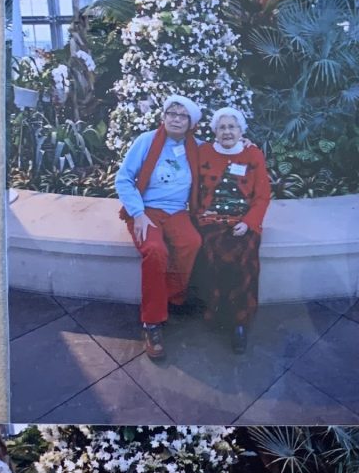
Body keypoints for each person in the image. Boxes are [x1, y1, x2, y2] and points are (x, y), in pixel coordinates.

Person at [115, 94, 204, 362]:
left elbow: (226, 153)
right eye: (171, 114)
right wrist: (138, 214)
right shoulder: (146, 141)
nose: (176, 119)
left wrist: (244, 144)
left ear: (191, 123)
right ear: (163, 117)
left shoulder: (198, 147)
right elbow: (123, 179)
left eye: (182, 115)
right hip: (147, 210)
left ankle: (172, 298)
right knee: (154, 250)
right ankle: (152, 322)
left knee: (191, 243)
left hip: (177, 211)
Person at [193, 107, 272, 354]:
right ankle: (215, 312)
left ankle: (240, 322)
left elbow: (262, 195)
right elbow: (193, 186)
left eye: (232, 127)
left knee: (244, 257)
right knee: (212, 252)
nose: (227, 131)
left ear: (241, 131)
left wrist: (248, 222)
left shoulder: (253, 154)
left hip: (242, 219)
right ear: (214, 131)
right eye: (222, 127)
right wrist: (199, 214)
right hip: (211, 218)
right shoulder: (203, 151)